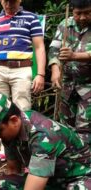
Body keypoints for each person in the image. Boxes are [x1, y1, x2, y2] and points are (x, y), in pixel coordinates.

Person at [0, 0, 46, 161]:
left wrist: (40, 74)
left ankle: (25, 153)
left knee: (23, 108)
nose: (8, 4)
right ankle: (5, 151)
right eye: (5, 0)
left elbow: (39, 47)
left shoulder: (31, 18)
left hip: (22, 69)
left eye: (12, 0)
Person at [0, 93, 91, 190]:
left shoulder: (43, 135)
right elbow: (13, 170)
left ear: (14, 121)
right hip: (53, 179)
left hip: (80, 177)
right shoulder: (10, 134)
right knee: (3, 184)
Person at [48, 0, 91, 146]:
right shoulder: (65, 24)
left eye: (87, 13)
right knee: (66, 127)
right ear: (72, 11)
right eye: (78, 13)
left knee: (85, 129)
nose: (83, 17)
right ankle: (69, 162)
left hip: (88, 87)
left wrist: (75, 56)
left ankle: (85, 164)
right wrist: (55, 69)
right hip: (67, 86)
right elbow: (54, 48)